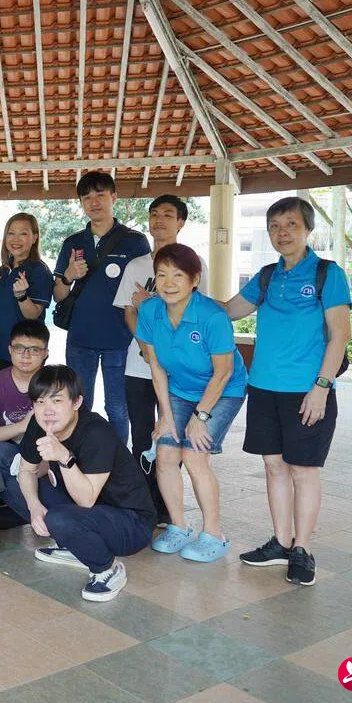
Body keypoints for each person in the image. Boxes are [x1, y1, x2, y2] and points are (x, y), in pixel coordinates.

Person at [223, 197, 352, 586]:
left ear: (307, 229)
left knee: (303, 469)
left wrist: (322, 387)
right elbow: (228, 311)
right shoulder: (267, 276)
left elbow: (340, 335)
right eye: (275, 226)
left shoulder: (327, 274)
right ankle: (280, 542)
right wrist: (177, 292)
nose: (283, 233)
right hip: (263, 387)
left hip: (307, 391)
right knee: (273, 465)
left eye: (291, 224)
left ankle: (302, 548)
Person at [135, 244, 247, 563]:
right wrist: (165, 416)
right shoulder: (150, 311)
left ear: (195, 279)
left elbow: (223, 372)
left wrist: (200, 416)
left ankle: (214, 534)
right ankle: (179, 526)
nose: (168, 283)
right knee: (166, 453)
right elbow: (156, 366)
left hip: (223, 390)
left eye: (178, 275)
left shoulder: (212, 316)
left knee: (194, 456)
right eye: (162, 275)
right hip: (180, 389)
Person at [17, 365, 156, 602]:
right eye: (40, 402)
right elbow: (26, 470)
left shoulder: (96, 432)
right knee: (18, 487)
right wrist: (34, 506)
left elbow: (86, 500)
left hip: (131, 522)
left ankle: (107, 568)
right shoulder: (38, 425)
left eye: (57, 401)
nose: (47, 410)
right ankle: (77, 546)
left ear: (77, 402)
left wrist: (64, 457)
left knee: (58, 518)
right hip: (91, 511)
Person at [113, 195, 206, 524]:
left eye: (168, 214)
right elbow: (129, 312)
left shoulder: (194, 263)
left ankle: (166, 504)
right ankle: (145, 503)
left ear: (181, 222)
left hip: (179, 369)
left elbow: (197, 312)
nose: (159, 220)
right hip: (138, 366)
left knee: (173, 435)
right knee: (142, 434)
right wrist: (146, 346)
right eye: (154, 214)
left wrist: (150, 304)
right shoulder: (136, 266)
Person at [53, 171, 150, 441]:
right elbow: (59, 295)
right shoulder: (73, 243)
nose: (93, 202)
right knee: (79, 406)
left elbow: (145, 290)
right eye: (87, 197)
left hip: (120, 339)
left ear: (114, 197)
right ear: (81, 203)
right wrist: (68, 276)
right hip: (80, 338)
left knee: (117, 409)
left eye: (100, 195)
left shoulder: (135, 241)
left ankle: (118, 460)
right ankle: (80, 455)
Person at [0, 319, 49, 521]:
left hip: (48, 454)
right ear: (10, 350)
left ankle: (39, 514)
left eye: (34, 350)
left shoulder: (54, 383)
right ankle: (38, 516)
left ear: (45, 353)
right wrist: (22, 426)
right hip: (11, 456)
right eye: (19, 348)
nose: (25, 355)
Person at [0, 213, 53, 373]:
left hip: (25, 353)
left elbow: (33, 315)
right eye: (11, 233)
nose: (16, 239)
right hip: (0, 349)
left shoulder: (39, 271)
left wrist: (22, 295)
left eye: (23, 233)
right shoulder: (3, 269)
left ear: (34, 238)